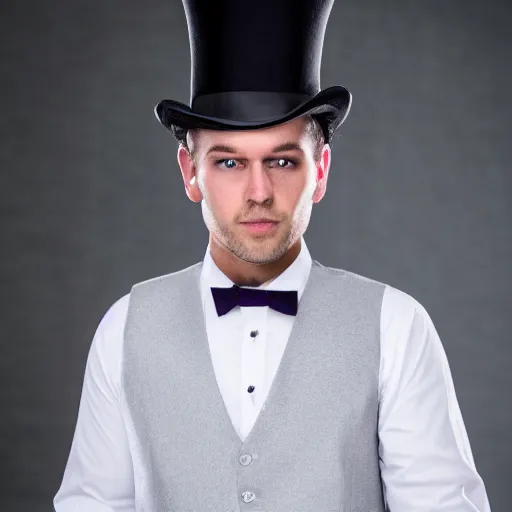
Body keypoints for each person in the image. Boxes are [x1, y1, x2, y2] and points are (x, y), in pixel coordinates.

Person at [54, 0, 492, 510]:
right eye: (230, 162)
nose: (259, 191)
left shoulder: (395, 326)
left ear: (321, 169)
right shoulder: (125, 328)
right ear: (189, 172)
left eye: (282, 160)